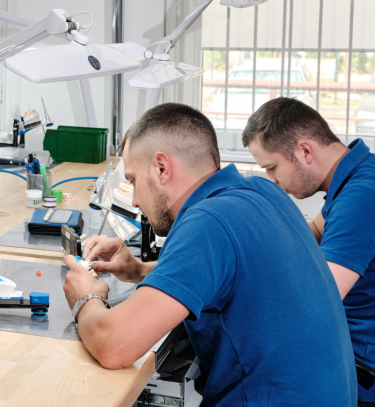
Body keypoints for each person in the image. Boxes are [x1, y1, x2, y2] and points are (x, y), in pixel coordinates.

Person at [63, 103, 357, 406]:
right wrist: (138, 270)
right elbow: (229, 269)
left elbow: (114, 345)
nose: (135, 201)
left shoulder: (208, 221)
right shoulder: (262, 192)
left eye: (133, 180)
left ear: (161, 168)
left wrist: (86, 296)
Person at [243, 97, 375, 406]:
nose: (272, 181)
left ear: (305, 151)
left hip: (359, 366)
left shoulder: (361, 196)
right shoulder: (355, 174)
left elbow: (316, 299)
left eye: (272, 168)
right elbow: (312, 231)